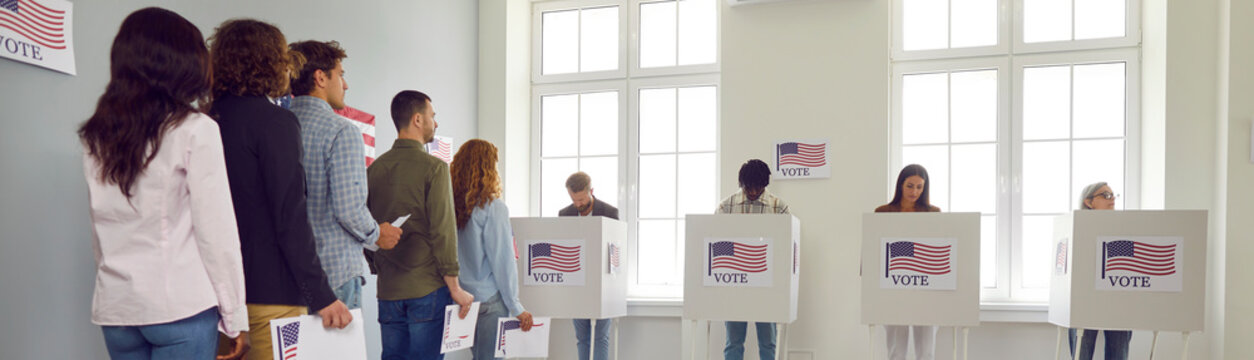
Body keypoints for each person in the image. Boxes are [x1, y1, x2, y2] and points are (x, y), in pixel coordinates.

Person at [79, 8, 248, 359]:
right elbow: (217, 234)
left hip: (118, 310)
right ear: (180, 61)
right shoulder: (195, 129)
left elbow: (101, 230)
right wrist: (234, 318)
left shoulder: (96, 136)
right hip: (179, 308)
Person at [207, 19, 356, 360]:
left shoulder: (203, 120)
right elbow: (290, 217)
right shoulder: (275, 122)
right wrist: (321, 294)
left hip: (216, 298)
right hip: (270, 295)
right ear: (270, 62)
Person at [287, 40, 402, 310]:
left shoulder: (280, 125)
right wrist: (376, 235)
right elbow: (349, 209)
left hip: (288, 277)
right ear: (320, 78)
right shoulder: (342, 131)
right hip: (335, 274)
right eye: (340, 74)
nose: (345, 84)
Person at [366, 90, 475, 359]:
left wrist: (376, 266)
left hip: (388, 291)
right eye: (432, 116)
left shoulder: (374, 170)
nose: (435, 123)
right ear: (417, 119)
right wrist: (455, 288)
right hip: (427, 291)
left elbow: (362, 225)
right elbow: (443, 233)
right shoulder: (435, 168)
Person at [453, 139, 535, 359]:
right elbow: (503, 260)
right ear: (488, 168)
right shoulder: (493, 207)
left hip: (462, 299)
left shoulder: (451, 206)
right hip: (489, 300)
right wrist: (516, 305)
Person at [716, 159, 790, 360]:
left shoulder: (778, 207)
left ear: (765, 184)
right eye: (749, 187)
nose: (753, 191)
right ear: (742, 183)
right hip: (734, 285)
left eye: (758, 187)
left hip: (767, 286)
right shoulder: (726, 206)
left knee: (768, 343)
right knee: (733, 342)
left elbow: (786, 248)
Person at [875, 164, 941, 360]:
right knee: (896, 349)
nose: (914, 192)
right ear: (900, 185)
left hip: (926, 287)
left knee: (926, 350)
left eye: (920, 187)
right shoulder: (883, 212)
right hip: (893, 286)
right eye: (910, 186)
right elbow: (873, 247)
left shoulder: (933, 213)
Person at [558, 171, 618, 360]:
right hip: (576, 286)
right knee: (582, 337)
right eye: (574, 199)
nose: (578, 204)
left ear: (591, 191)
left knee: (600, 337)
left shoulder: (610, 213)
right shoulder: (565, 214)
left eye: (582, 199)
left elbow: (616, 252)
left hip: (603, 286)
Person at [1069, 182, 1131, 360]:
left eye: (1113, 195)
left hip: (1119, 298)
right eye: (1105, 195)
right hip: (1084, 299)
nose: (1111, 200)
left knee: (1119, 354)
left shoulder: (1126, 227)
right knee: (1082, 354)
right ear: (1089, 202)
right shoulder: (1075, 228)